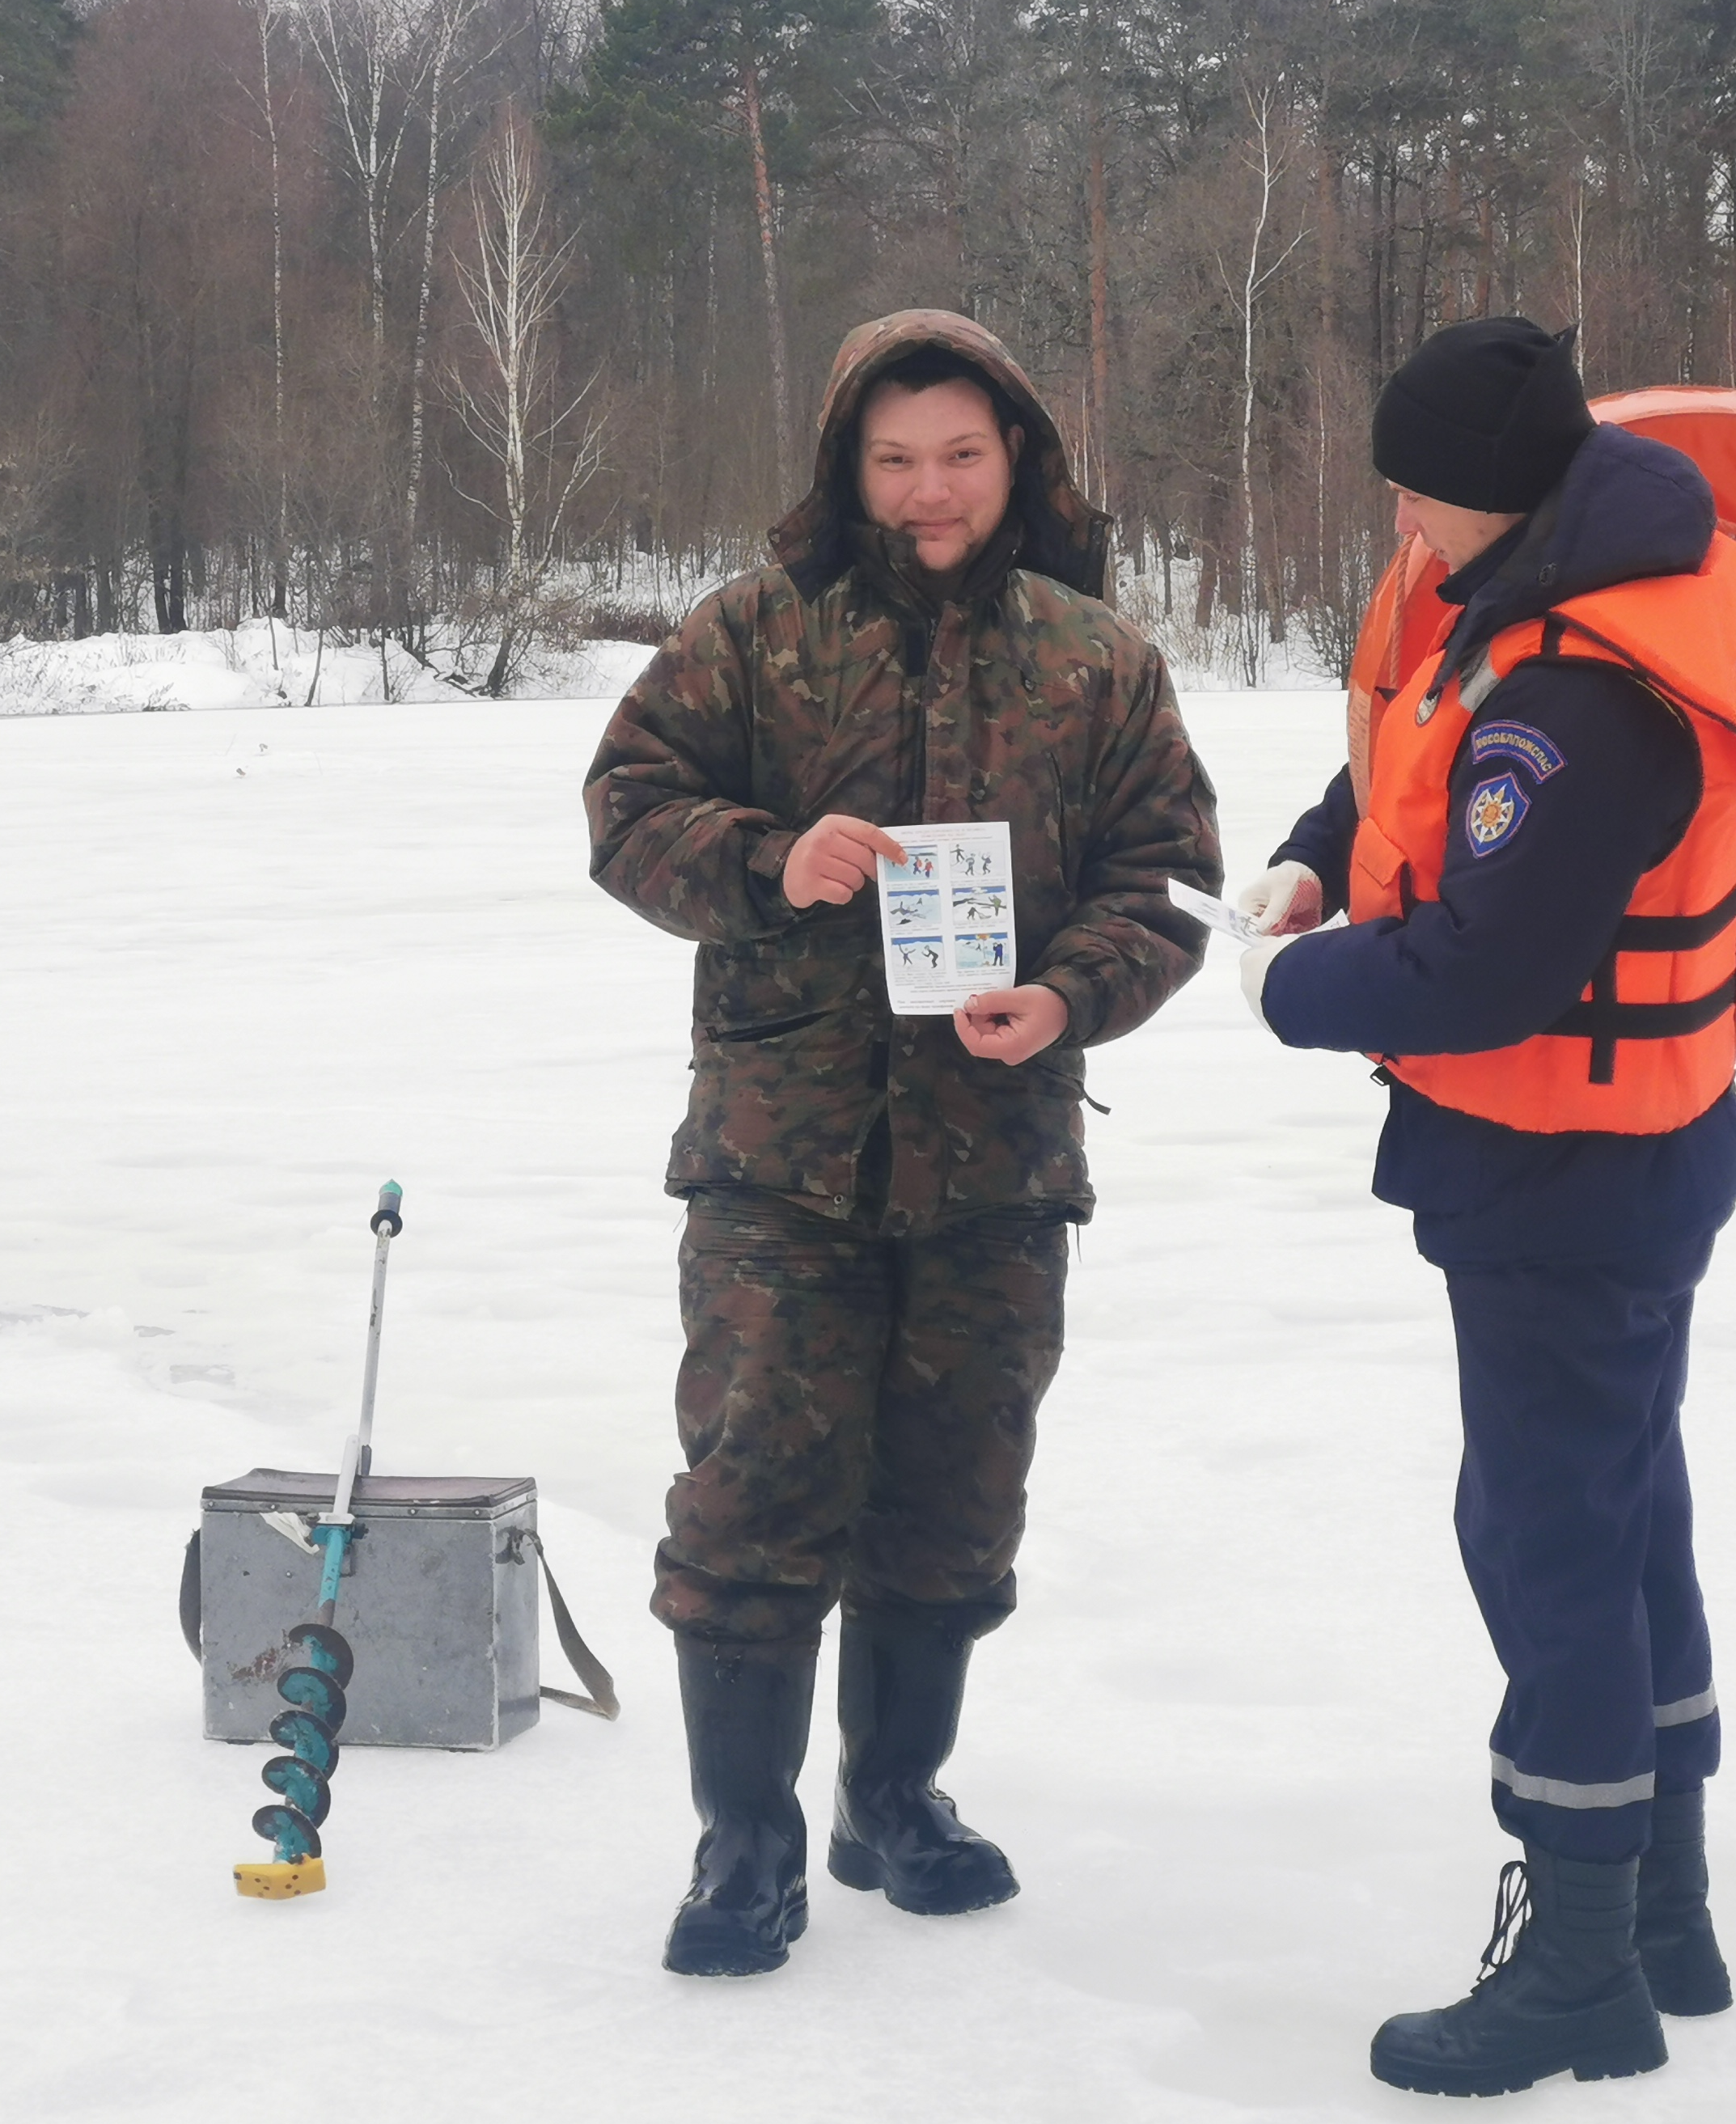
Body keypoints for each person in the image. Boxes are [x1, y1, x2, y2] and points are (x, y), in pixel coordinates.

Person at [583, 310, 1222, 1979]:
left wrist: (1069, 993)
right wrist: (767, 855)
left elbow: (1160, 883)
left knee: (952, 1500)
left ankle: (892, 1797)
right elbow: (626, 807)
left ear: (1014, 457)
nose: (926, 490)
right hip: (777, 1158)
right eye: (892, 459)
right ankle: (744, 1839)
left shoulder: (1098, 660)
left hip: (993, 1164)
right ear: (843, 467)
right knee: (753, 1492)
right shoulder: (752, 634)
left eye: (958, 454)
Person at [1235, 316, 1736, 2096]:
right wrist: (1311, 854)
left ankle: (1576, 1970)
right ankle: (1663, 1914)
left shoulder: (1578, 697)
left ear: (1485, 492)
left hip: (1566, 1176)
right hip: (1622, 1155)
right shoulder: (1550, 594)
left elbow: (1493, 959)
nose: (1399, 516)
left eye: (1411, 486)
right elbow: (1409, 761)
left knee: (1547, 1542)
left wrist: (1299, 988)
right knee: (1621, 1516)